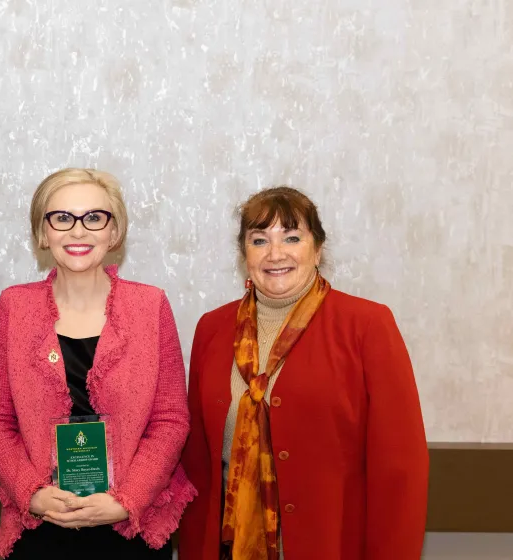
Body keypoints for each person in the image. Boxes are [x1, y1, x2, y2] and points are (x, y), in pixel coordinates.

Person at [178, 186, 428, 560]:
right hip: (230, 546)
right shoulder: (212, 329)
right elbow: (197, 462)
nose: (275, 253)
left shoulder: (367, 325)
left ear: (318, 248)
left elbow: (400, 467)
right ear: (244, 253)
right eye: (259, 240)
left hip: (331, 544)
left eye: (292, 237)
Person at [0, 168, 196, 559]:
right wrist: (33, 494)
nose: (78, 231)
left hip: (129, 527)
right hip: (42, 524)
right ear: (43, 233)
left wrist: (126, 500)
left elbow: (170, 419)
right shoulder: (13, 307)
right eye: (62, 218)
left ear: (114, 233)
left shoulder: (150, 306)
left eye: (94, 218)